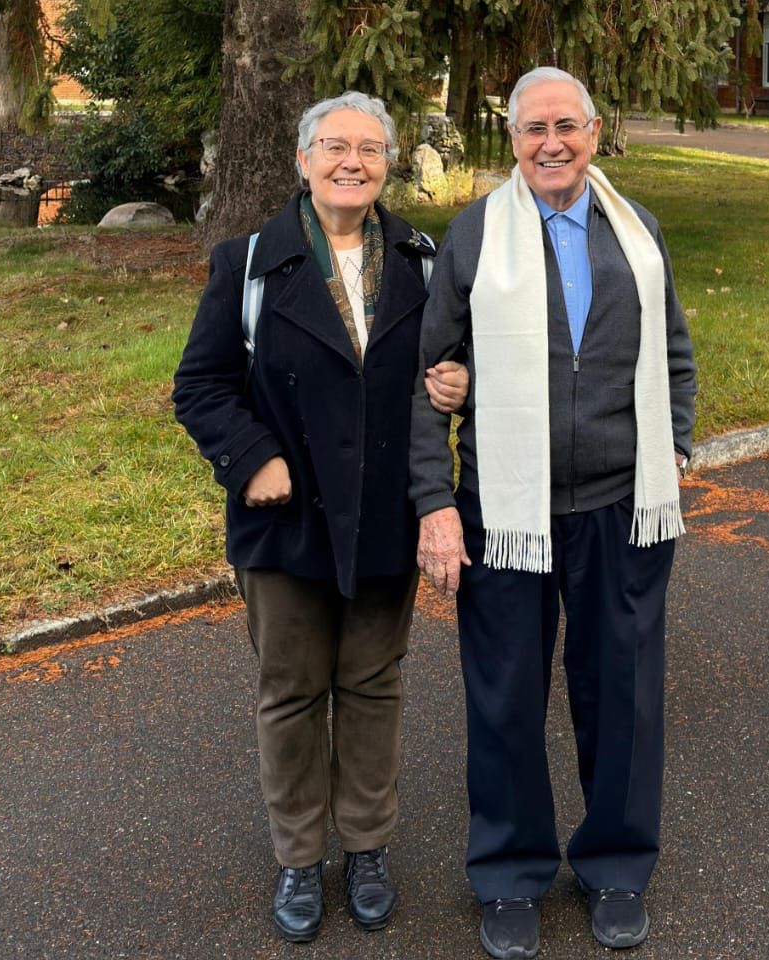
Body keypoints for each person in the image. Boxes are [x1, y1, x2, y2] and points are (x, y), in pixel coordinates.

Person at [411, 67, 696, 959]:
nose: (551, 144)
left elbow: (674, 352)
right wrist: (434, 502)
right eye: (533, 129)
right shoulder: (474, 237)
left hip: (619, 506)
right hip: (503, 512)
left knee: (622, 698)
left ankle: (614, 866)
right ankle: (509, 875)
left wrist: (674, 447)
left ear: (595, 131)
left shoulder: (636, 233)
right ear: (512, 141)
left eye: (565, 126)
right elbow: (429, 383)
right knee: (504, 699)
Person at [173, 92, 468, 943]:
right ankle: (300, 856)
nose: (352, 161)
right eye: (333, 146)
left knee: (373, 687)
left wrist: (459, 383)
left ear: (388, 163)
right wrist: (250, 455)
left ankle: (367, 847)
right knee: (293, 691)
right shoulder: (249, 264)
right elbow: (200, 386)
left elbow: (447, 366)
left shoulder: (420, 257)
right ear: (302, 161)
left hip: (385, 515)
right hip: (286, 519)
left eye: (369, 148)